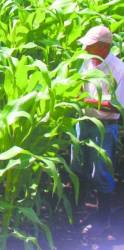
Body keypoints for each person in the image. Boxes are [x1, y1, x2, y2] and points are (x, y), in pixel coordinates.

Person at [71, 25, 124, 235]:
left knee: (101, 171)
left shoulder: (119, 69)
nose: (85, 48)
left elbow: (117, 106)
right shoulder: (87, 61)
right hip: (83, 121)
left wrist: (87, 101)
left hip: (104, 126)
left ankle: (104, 222)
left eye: (89, 45)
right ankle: (77, 212)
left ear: (103, 47)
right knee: (78, 166)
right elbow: (78, 85)